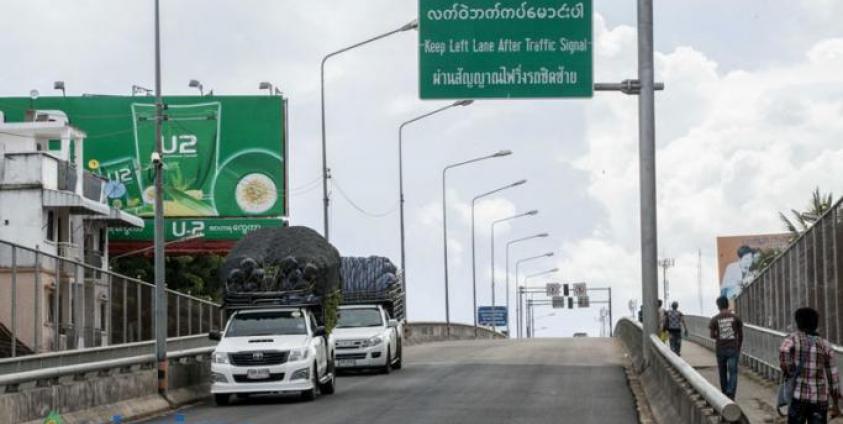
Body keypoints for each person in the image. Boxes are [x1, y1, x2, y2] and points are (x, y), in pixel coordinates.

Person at [779, 307, 841, 423]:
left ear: (798, 323)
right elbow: (833, 378)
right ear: (816, 324)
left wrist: (790, 369)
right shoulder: (824, 344)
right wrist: (836, 404)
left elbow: (784, 350)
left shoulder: (792, 339)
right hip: (819, 400)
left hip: (798, 397)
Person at [709, 296, 743, 400]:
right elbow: (741, 335)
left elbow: (711, 335)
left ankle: (724, 395)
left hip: (720, 349)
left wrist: (720, 336)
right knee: (733, 372)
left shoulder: (714, 319)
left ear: (718, 306)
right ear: (727, 304)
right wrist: (738, 347)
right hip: (733, 348)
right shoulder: (736, 317)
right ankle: (731, 393)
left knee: (722, 373)